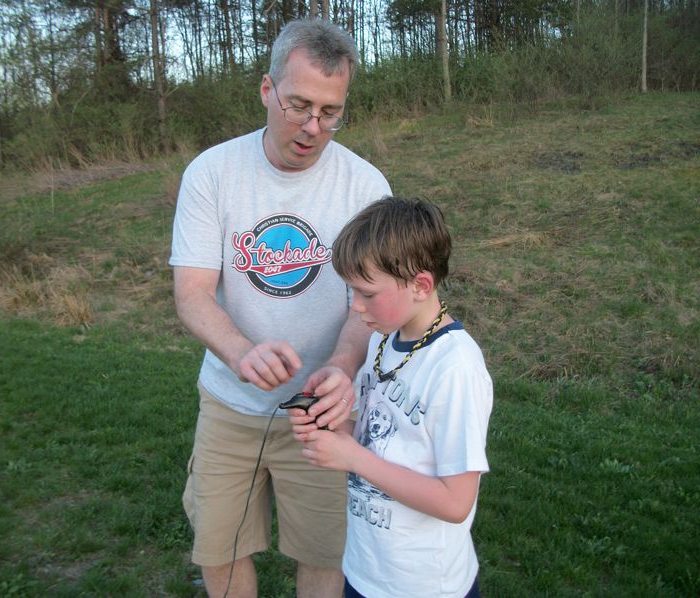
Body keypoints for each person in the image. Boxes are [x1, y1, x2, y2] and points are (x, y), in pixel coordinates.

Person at [169, 18, 392, 598]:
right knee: (220, 550)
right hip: (230, 402)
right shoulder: (212, 173)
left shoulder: (366, 187)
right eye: (299, 106)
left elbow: (368, 305)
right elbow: (191, 292)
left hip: (322, 411)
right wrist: (242, 353)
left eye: (331, 112)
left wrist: (342, 365)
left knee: (324, 555)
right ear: (267, 90)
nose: (313, 127)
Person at [290, 196, 493, 598]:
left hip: (424, 586)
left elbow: (455, 503)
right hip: (366, 570)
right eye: (352, 292)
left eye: (367, 293)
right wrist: (330, 427)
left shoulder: (455, 367)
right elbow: (386, 440)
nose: (356, 307)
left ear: (420, 285)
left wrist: (352, 458)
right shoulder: (384, 340)